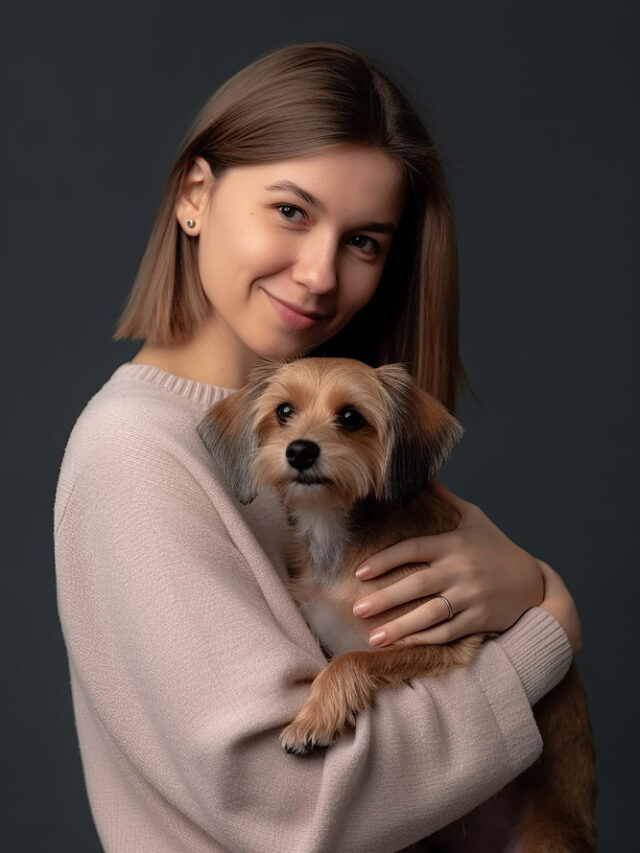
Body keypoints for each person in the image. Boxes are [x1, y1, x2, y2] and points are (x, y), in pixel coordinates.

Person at [53, 42, 581, 852]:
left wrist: (518, 583)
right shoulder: (136, 454)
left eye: (364, 241)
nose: (319, 274)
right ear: (196, 195)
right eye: (292, 211)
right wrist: (551, 622)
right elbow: (292, 807)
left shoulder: (343, 457)